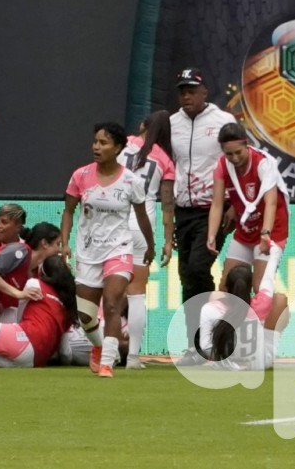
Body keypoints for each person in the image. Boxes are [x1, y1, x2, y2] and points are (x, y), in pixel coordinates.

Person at [61, 122, 155, 378]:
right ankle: (99, 346)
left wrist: (150, 245)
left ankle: (106, 363)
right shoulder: (80, 176)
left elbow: (142, 216)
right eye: (95, 142)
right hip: (88, 251)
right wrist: (65, 242)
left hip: (119, 249)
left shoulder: (130, 181)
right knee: (86, 316)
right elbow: (68, 211)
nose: (96, 147)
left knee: (112, 304)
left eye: (103, 143)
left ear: (118, 148)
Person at [169, 67, 237, 366]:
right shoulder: (172, 123)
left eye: (192, 90)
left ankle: (211, 336)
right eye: (182, 91)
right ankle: (195, 346)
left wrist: (235, 204)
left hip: (214, 209)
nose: (186, 96)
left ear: (204, 91)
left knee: (198, 268)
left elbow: (240, 160)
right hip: (183, 209)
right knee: (187, 276)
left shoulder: (223, 121)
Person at [117, 110, 175, 369]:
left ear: (142, 125)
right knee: (137, 293)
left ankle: (105, 350)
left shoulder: (124, 144)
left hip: (115, 221)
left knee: (109, 290)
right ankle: (133, 357)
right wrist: (167, 241)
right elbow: (168, 205)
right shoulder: (165, 160)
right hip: (143, 226)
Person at [0, 256, 77, 368]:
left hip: (23, 340)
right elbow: (65, 353)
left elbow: (20, 316)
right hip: (35, 361)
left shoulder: (35, 284)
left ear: (42, 272)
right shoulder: (67, 307)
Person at [207, 122, 289, 294]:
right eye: (229, 154)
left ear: (247, 144)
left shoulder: (263, 164)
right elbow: (217, 204)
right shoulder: (221, 166)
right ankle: (237, 313)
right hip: (245, 230)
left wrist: (265, 234)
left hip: (271, 230)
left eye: (238, 152)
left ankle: (274, 311)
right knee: (225, 288)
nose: (235, 158)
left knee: (260, 288)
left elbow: (271, 202)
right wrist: (212, 235)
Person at [0, 222, 61, 366]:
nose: (59, 250)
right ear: (44, 244)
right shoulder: (20, 251)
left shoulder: (36, 275)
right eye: (57, 244)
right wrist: (18, 293)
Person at [199, 265, 289, 370]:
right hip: (259, 362)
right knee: (280, 299)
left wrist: (227, 362)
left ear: (226, 288)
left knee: (215, 296)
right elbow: (268, 280)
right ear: (250, 288)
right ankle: (267, 351)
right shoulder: (260, 305)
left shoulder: (211, 308)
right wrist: (274, 255)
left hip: (225, 361)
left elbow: (205, 346)